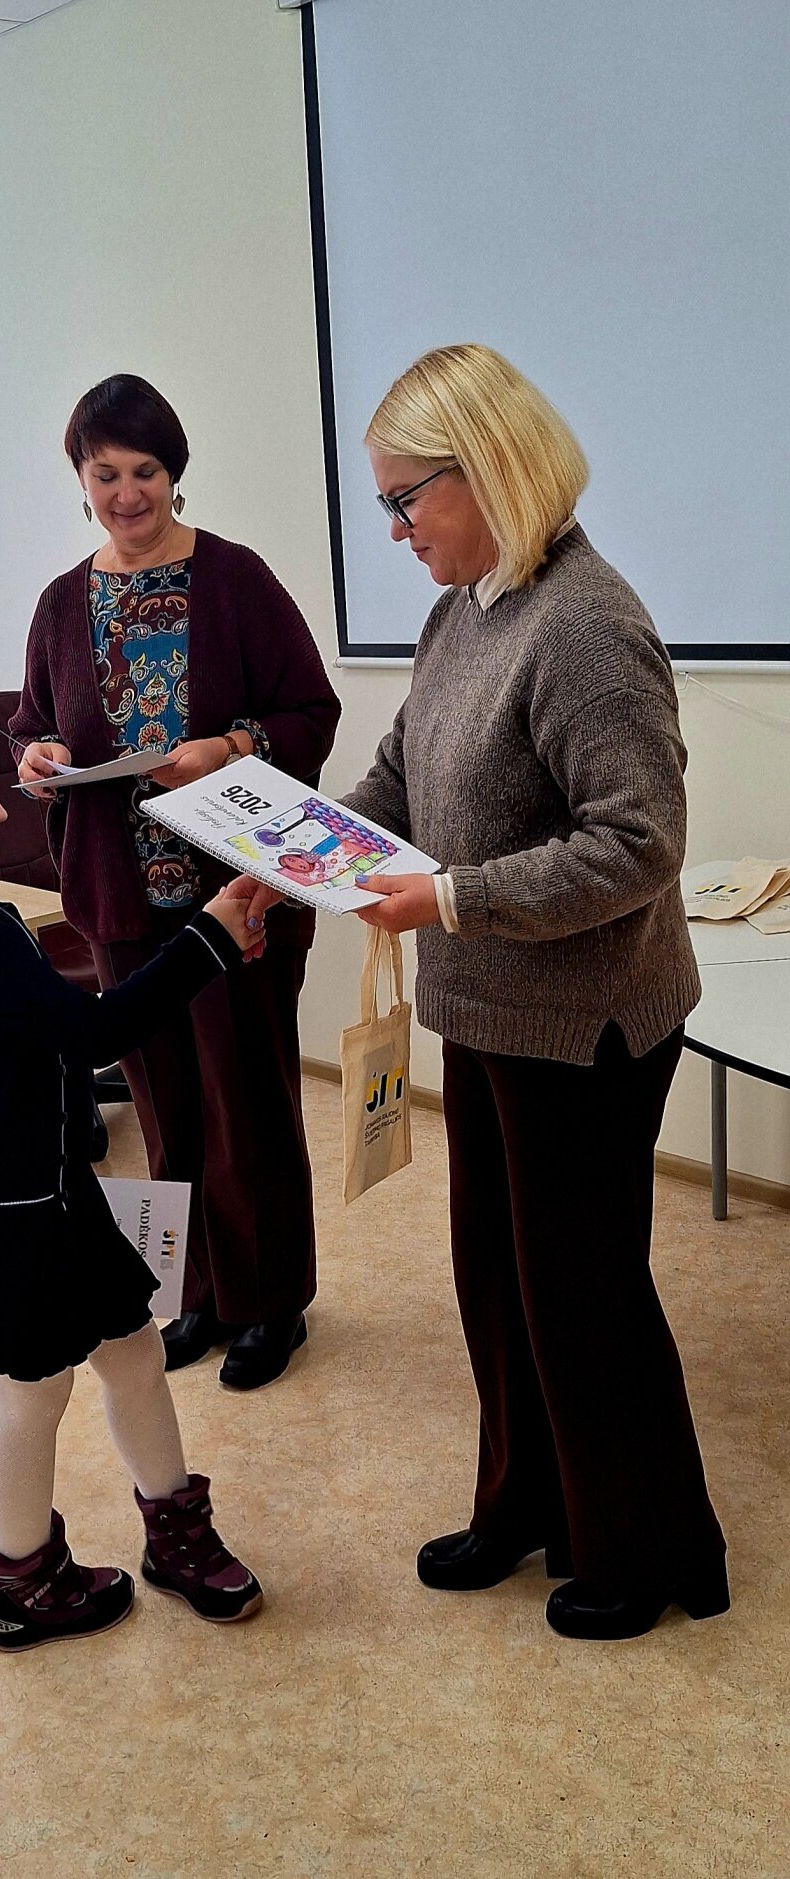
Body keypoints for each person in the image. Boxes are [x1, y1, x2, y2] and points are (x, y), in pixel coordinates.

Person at [234, 345, 728, 1641]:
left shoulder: (586, 626)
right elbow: (401, 775)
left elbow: (640, 843)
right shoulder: (465, 608)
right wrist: (295, 854)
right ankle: (523, 1504)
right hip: (488, 1007)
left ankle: (645, 1549)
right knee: (499, 1281)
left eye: (407, 499)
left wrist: (450, 896)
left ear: (490, 468)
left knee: (582, 1293)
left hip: (587, 1022)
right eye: (386, 504)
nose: (395, 531)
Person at [0, 688, 266, 1652]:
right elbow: (90, 1031)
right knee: (34, 1393)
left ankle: (175, 1534)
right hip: (4, 1207)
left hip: (50, 1188)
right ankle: (23, 1584)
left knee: (134, 1354)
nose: (1, 811)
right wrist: (209, 935)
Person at [10, 374, 340, 1390]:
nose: (126, 493)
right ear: (80, 479)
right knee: (164, 1114)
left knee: (249, 1106)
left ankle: (269, 1301)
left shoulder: (234, 579)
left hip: (234, 897)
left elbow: (310, 711)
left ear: (174, 473)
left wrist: (229, 746)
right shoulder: (62, 604)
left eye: (144, 471)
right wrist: (37, 756)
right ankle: (192, 1292)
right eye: (105, 473)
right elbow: (33, 726)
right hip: (121, 905)